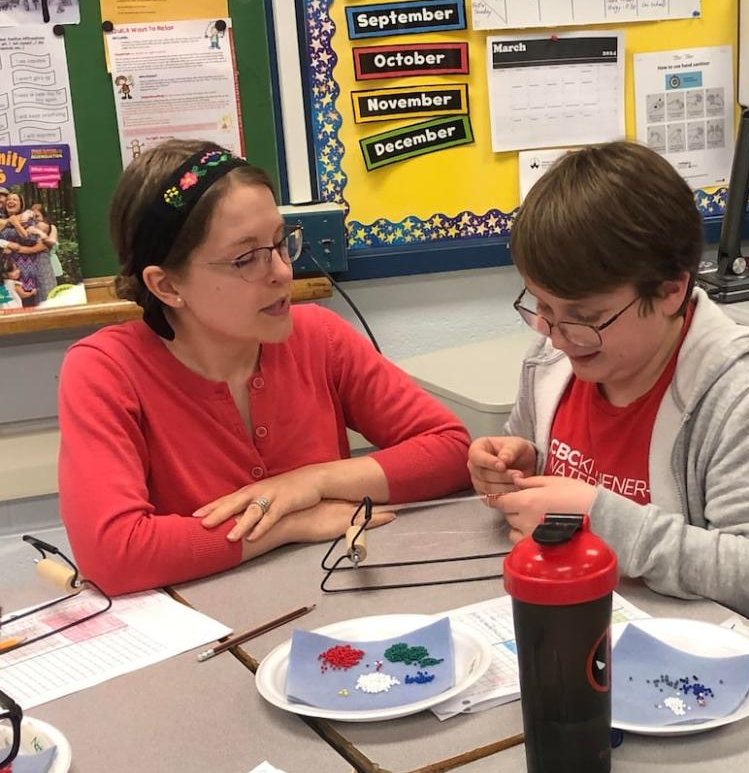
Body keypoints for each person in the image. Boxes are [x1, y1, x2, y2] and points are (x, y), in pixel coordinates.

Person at [467, 142, 749, 659]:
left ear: (672, 290)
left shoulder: (746, 398)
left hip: (739, 681)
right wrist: (521, 461)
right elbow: (561, 470)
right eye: (541, 305)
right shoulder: (555, 365)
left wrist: (602, 523)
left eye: (584, 315)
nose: (555, 335)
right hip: (603, 647)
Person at [58, 140, 472, 595]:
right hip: (207, 636)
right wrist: (285, 524)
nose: (281, 273)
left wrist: (310, 482)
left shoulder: (318, 335)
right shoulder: (105, 371)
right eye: (245, 258)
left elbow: (451, 451)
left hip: (332, 602)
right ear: (167, 285)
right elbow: (113, 556)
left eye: (280, 243)